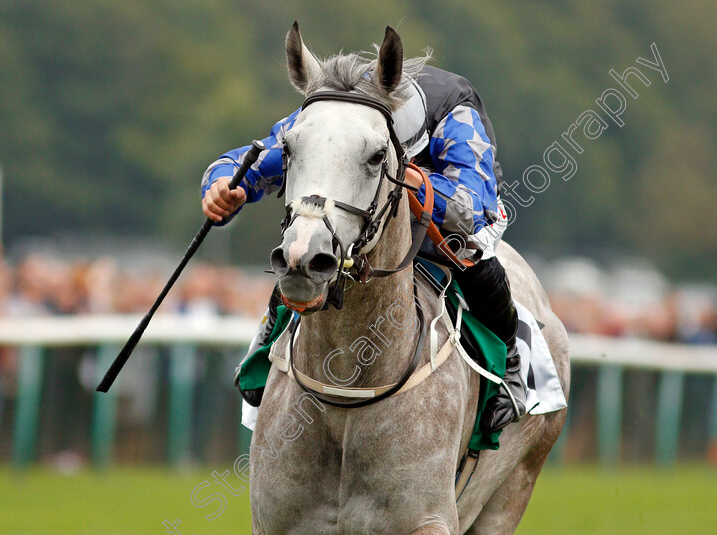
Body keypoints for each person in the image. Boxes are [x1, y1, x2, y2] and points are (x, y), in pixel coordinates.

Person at [201, 64, 525, 433]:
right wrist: (223, 184)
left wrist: (403, 177)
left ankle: (510, 365)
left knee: (469, 257)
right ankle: (269, 345)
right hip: (363, 210)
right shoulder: (336, 109)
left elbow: (468, 207)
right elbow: (250, 161)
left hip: (458, 213)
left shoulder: (454, 111)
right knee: (308, 249)